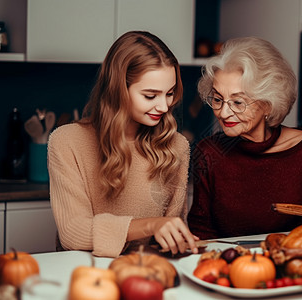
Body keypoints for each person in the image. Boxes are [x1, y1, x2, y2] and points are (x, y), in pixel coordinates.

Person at [48, 31, 198, 258]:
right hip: (85, 276)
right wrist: (150, 225)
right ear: (117, 90)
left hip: (146, 273)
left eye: (170, 93)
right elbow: (73, 233)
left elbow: (170, 233)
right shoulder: (67, 141)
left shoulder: (177, 146)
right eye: (150, 96)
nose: (164, 107)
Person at [188, 36, 302, 240]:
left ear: (268, 103)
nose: (223, 113)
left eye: (238, 102)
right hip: (228, 266)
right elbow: (201, 233)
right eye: (217, 99)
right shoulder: (208, 152)